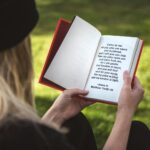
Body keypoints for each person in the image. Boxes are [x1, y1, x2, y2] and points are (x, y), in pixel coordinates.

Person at [0, 0, 148, 150]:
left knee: (73, 123)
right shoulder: (14, 131)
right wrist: (125, 111)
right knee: (136, 133)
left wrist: (57, 113)